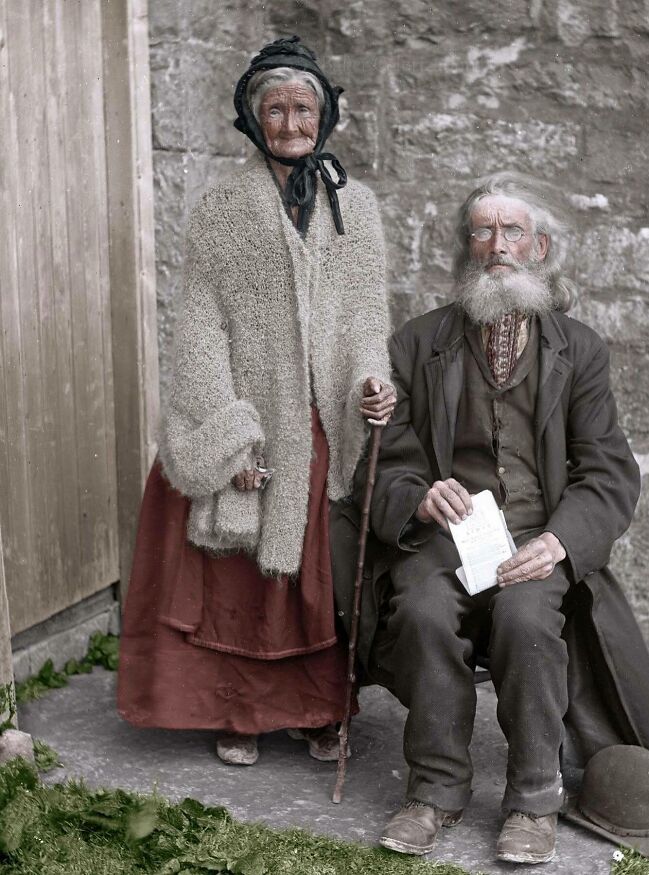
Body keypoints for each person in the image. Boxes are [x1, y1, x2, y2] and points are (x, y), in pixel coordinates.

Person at [339, 171, 649, 863]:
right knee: (425, 610)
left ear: (540, 246)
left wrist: (560, 541)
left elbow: (608, 470)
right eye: (483, 231)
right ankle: (434, 789)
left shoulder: (579, 349)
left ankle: (533, 797)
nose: (498, 245)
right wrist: (417, 495)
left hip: (537, 538)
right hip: (443, 539)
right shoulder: (416, 343)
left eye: (513, 231)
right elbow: (380, 468)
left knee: (528, 618)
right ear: (468, 247)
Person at [117, 36, 395, 768]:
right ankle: (238, 708)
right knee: (239, 577)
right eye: (274, 109)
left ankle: (319, 707)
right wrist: (231, 437)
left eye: (304, 107)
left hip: (318, 420)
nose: (290, 122)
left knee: (312, 578)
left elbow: (367, 318)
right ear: (252, 118)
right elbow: (199, 327)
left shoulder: (355, 209)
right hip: (250, 412)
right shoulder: (221, 210)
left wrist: (371, 381)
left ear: (325, 115)